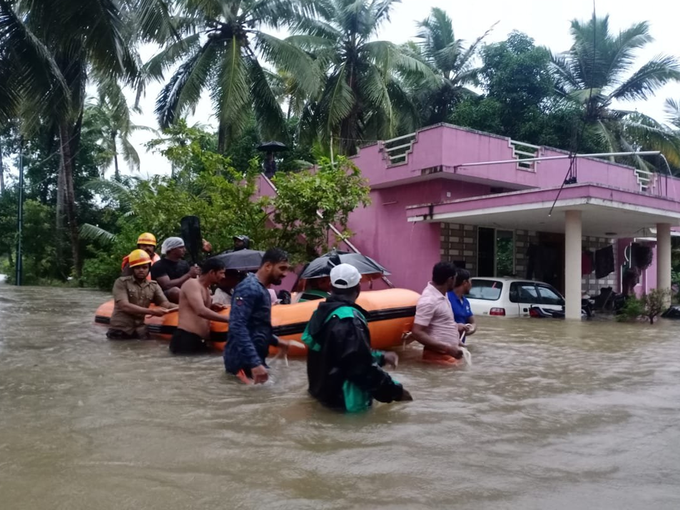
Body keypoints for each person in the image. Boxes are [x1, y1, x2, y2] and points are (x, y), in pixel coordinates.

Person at [302, 264, 412, 412]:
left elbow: (339, 353)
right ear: (358, 288)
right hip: (346, 404)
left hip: (322, 397)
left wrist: (380, 357)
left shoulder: (320, 314)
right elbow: (361, 369)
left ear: (330, 285)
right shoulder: (349, 320)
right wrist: (395, 392)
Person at [223, 248, 293, 384]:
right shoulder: (248, 288)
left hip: (253, 360)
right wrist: (254, 363)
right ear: (267, 266)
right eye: (282, 268)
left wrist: (277, 341)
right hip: (242, 362)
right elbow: (237, 325)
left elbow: (255, 326)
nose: (285, 274)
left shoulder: (261, 289)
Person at [107, 249, 175, 340]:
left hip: (139, 329)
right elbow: (124, 306)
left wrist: (182, 307)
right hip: (120, 330)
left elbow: (165, 304)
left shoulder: (153, 285)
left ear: (149, 268)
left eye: (144, 267)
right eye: (138, 267)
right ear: (132, 269)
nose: (141, 270)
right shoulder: (121, 282)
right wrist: (152, 312)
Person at [170, 257, 230, 355]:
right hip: (186, 338)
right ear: (211, 272)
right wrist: (228, 319)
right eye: (221, 273)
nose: (224, 276)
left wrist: (212, 306)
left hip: (199, 340)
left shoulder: (206, 289)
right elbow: (200, 311)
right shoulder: (192, 284)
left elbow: (198, 309)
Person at [410, 262, 464, 363]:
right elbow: (417, 332)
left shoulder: (442, 294)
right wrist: (447, 348)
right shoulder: (429, 300)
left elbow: (438, 323)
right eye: (455, 278)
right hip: (438, 357)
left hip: (447, 356)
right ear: (450, 280)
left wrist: (455, 326)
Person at [150, 237, 200, 303]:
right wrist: (189, 274)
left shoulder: (184, 263)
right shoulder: (159, 265)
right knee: (175, 291)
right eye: (181, 247)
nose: (184, 250)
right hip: (163, 295)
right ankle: (197, 304)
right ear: (172, 249)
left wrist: (196, 275)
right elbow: (167, 285)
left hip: (183, 292)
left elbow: (189, 281)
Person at [447, 268, 477, 342]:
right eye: (470, 281)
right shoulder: (446, 298)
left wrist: (471, 329)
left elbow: (473, 322)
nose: (471, 284)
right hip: (447, 345)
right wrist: (456, 327)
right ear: (465, 283)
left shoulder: (465, 301)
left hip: (458, 345)